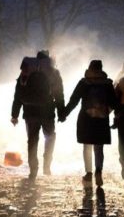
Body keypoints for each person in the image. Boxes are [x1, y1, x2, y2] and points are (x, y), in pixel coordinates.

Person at [11, 50, 65, 181]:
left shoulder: (26, 71)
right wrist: (61, 113)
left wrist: (14, 115)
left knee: (32, 141)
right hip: (47, 112)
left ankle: (33, 170)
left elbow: (18, 95)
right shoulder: (53, 72)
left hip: (30, 112)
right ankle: (47, 165)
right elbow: (59, 94)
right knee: (50, 137)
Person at [64, 60, 118, 188]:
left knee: (87, 146)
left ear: (89, 68)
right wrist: (111, 114)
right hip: (102, 119)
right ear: (101, 69)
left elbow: (74, 100)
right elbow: (114, 103)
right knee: (99, 148)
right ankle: (98, 171)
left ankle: (88, 173)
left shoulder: (84, 82)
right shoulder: (107, 83)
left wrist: (64, 113)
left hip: (86, 118)